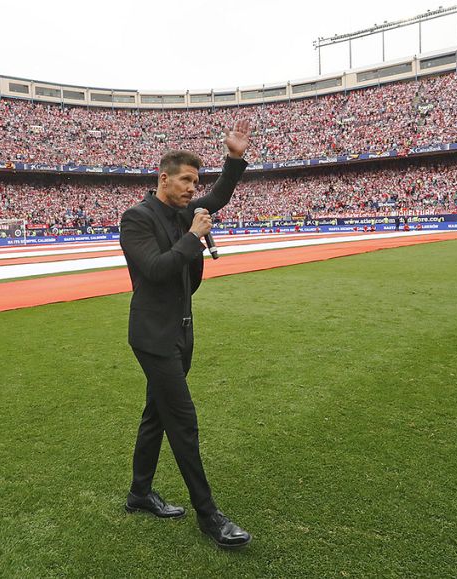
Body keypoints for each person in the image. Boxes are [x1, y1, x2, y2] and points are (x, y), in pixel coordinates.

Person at [119, 119, 253, 550]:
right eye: (185, 181)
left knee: (156, 414)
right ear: (163, 177)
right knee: (182, 421)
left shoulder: (183, 212)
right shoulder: (136, 218)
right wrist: (195, 237)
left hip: (180, 333)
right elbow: (156, 271)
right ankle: (209, 516)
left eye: (196, 181)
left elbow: (219, 196)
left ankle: (140, 494)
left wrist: (233, 159)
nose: (194, 189)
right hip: (152, 336)